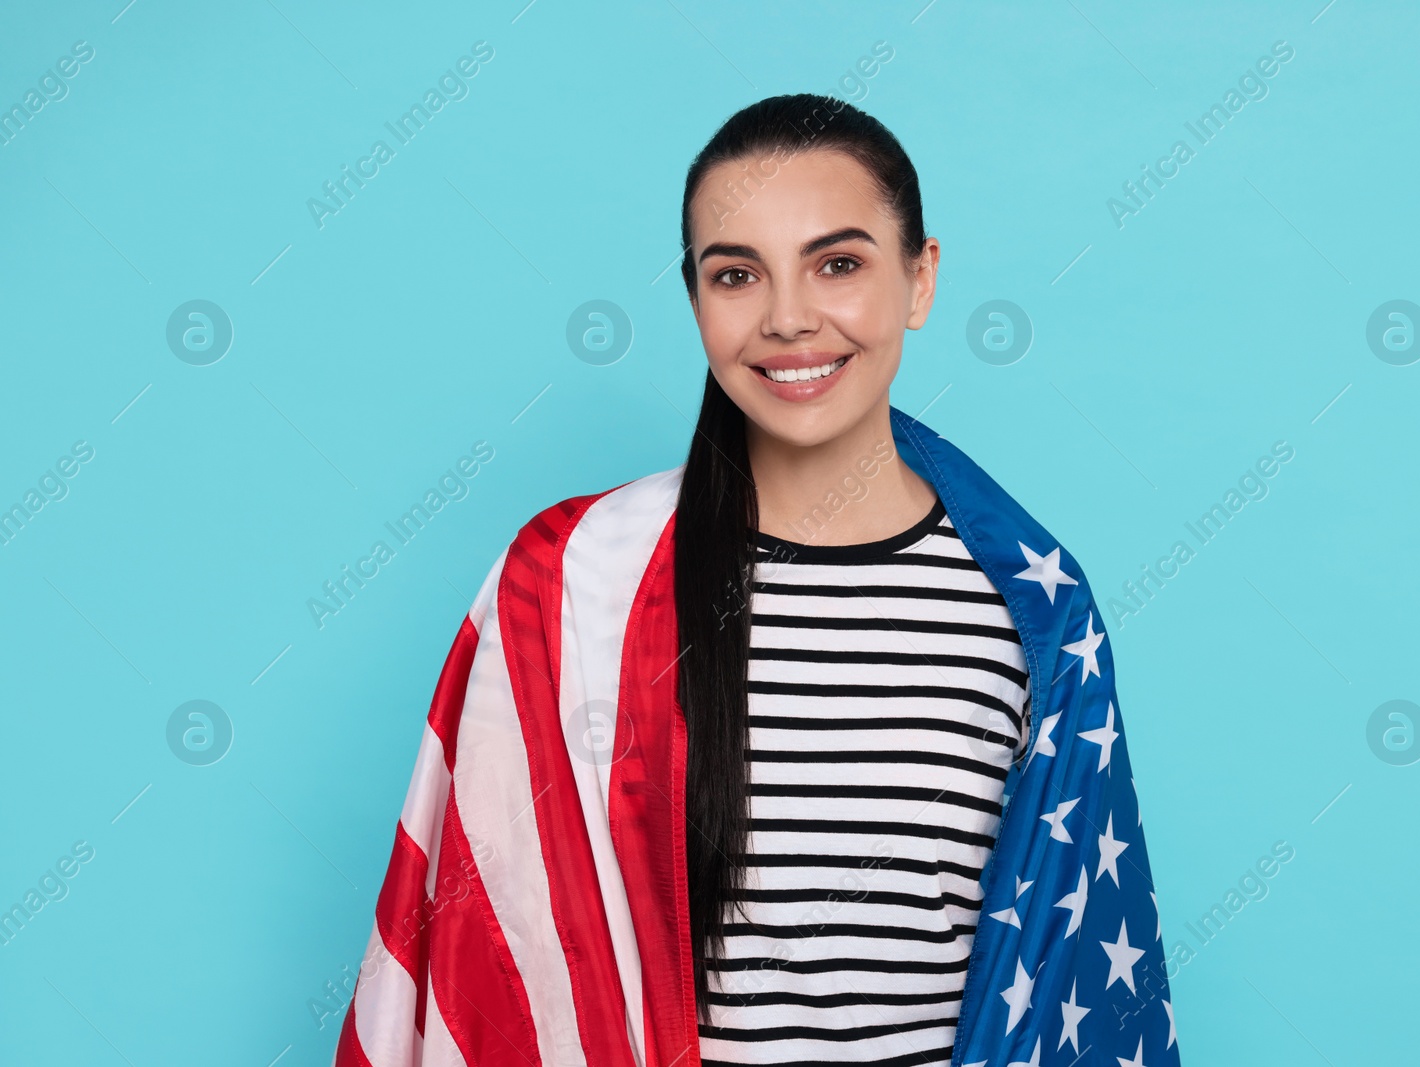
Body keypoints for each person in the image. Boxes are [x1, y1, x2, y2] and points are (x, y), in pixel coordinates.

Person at [333, 94, 1179, 1067]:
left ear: (920, 279)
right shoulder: (573, 584)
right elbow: (494, 949)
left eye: (839, 264)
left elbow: (1063, 972)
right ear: (693, 297)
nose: (787, 317)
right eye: (736, 274)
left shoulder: (1029, 614)